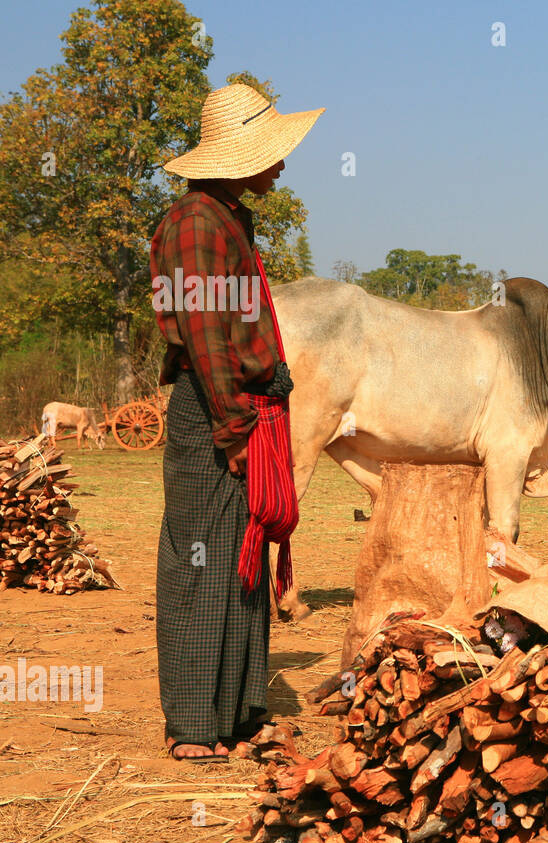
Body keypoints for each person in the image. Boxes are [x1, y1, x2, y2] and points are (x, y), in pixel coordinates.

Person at [150, 84, 323, 761]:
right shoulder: (195, 222)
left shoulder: (227, 218)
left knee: (240, 557)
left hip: (241, 405)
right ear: (236, 158)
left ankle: (242, 714)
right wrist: (233, 430)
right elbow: (205, 336)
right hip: (214, 408)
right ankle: (193, 724)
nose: (281, 165)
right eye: (271, 154)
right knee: (198, 558)